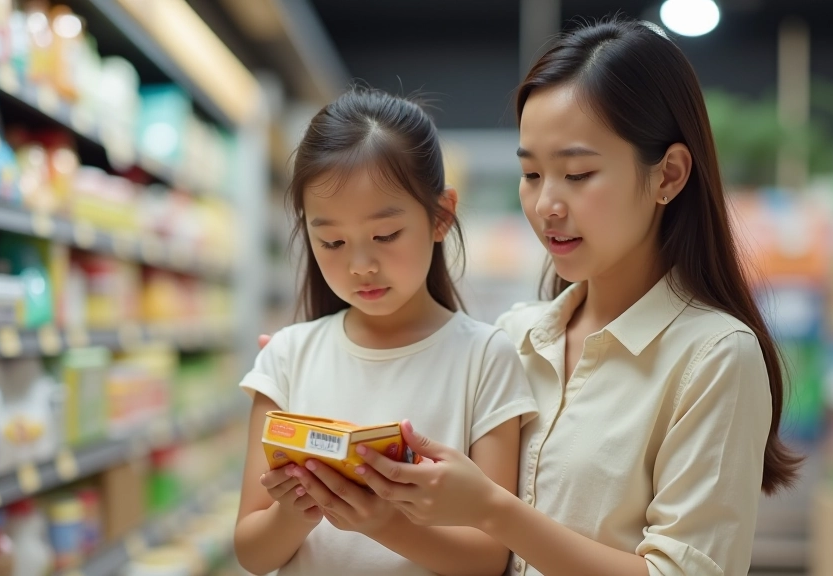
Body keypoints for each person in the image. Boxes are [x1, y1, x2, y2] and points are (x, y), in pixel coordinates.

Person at [262, 17, 802, 576]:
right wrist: (324, 363)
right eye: (531, 174)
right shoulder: (515, 338)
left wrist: (493, 512)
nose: (547, 205)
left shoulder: (715, 356)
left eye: (578, 173)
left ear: (668, 174)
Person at [233, 87, 538, 576]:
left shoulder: (485, 357)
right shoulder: (287, 356)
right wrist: (293, 514)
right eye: (332, 241)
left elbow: (490, 557)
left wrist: (384, 524)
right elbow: (251, 552)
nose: (360, 265)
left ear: (441, 215)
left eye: (385, 235)